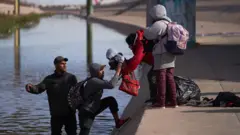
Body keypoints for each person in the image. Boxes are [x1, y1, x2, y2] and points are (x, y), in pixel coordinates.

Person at [25, 56, 78, 135]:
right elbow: (38, 88)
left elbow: (78, 93)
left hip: (69, 113)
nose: (65, 65)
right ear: (56, 65)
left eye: (65, 64)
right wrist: (30, 87)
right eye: (62, 64)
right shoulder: (49, 79)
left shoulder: (71, 78)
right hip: (56, 114)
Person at [78, 60, 130, 135]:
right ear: (96, 72)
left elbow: (111, 82)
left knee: (111, 100)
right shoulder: (93, 81)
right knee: (84, 132)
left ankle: (118, 122)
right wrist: (118, 69)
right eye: (101, 70)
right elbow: (111, 85)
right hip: (87, 112)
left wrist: (121, 73)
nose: (103, 71)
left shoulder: (97, 80)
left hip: (94, 107)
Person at [144, 4, 178, 108]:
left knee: (161, 77)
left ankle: (161, 102)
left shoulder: (158, 24)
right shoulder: (169, 22)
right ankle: (173, 101)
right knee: (170, 77)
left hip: (161, 53)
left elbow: (148, 34)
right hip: (171, 52)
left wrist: (149, 26)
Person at [124, 30, 157, 104]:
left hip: (159, 60)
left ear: (133, 42)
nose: (129, 47)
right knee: (154, 76)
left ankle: (155, 98)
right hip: (157, 60)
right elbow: (137, 58)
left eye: (129, 45)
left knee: (152, 76)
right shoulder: (140, 41)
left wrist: (126, 70)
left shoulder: (140, 44)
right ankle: (156, 97)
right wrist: (127, 62)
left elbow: (136, 60)